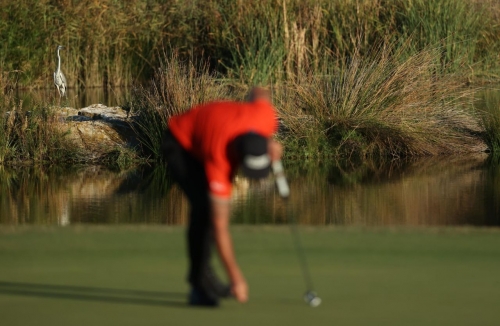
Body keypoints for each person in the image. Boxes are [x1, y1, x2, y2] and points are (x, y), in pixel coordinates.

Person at [162, 87, 282, 307]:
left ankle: (200, 278)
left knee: (206, 211)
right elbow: (220, 226)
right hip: (180, 142)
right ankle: (200, 283)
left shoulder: (266, 118)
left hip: (212, 129)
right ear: (236, 158)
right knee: (204, 211)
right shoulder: (219, 158)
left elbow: (259, 92)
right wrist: (236, 278)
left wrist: (270, 141)